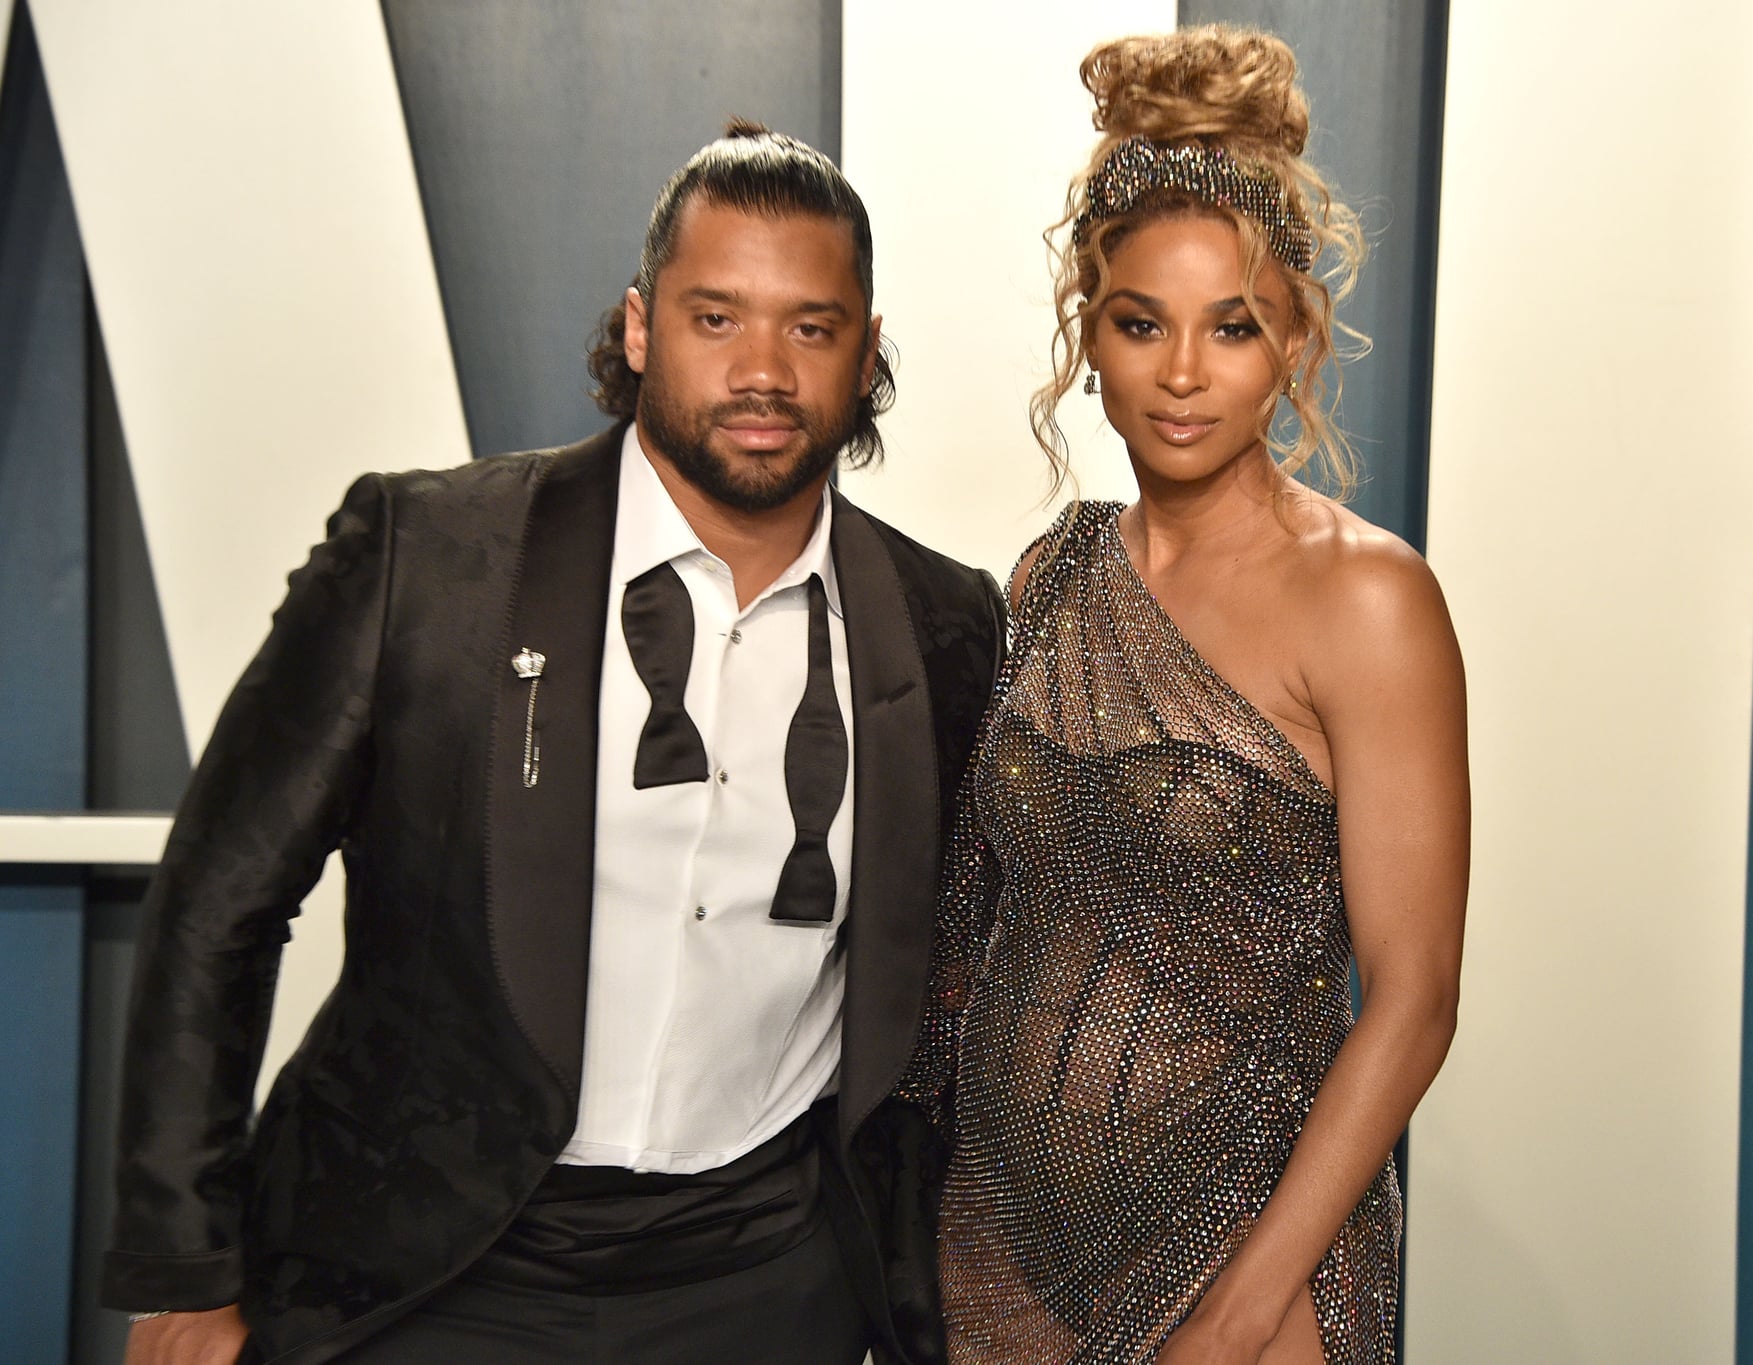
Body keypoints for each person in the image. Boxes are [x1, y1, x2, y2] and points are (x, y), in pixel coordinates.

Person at [104, 120, 1003, 1365]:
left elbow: (948, 976)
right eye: (714, 317)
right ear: (639, 329)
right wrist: (187, 1270)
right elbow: (219, 906)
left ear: (866, 352)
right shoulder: (430, 554)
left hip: (763, 1278)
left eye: (810, 326)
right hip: (431, 1265)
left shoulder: (946, 621)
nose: (763, 371)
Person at [901, 27, 1469, 1365]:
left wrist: (1239, 1314)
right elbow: (982, 926)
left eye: (1235, 329)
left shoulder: (1368, 601)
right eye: (1141, 322)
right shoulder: (1053, 573)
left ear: (1294, 341)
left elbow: (1415, 997)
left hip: (1244, 1256)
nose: (1180, 374)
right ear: (1086, 331)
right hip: (998, 1249)